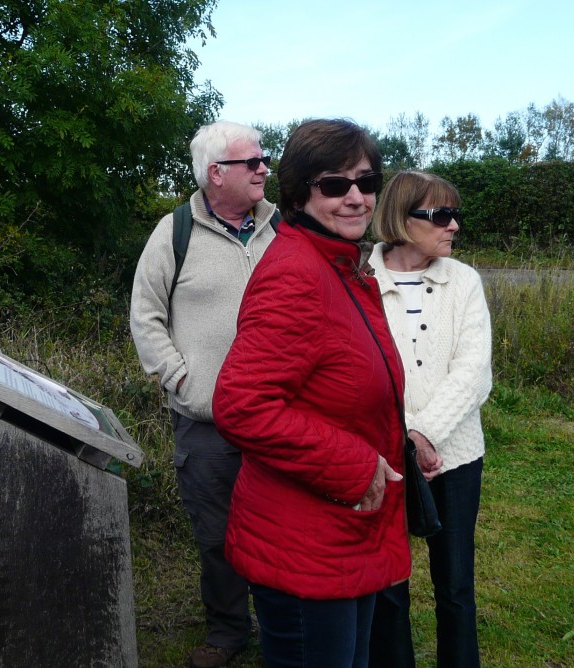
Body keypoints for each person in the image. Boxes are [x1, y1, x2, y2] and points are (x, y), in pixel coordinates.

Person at [212, 119, 411, 668]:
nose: (355, 198)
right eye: (334, 184)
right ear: (300, 193)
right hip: (306, 543)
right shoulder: (297, 272)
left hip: (346, 530)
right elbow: (242, 405)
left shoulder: (343, 269)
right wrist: (354, 464)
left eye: (366, 183)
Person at [129, 120, 279, 668]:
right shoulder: (174, 232)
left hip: (277, 419)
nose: (265, 168)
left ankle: (282, 626)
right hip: (207, 421)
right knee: (217, 536)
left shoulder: (281, 229)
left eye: (264, 160)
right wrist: (180, 377)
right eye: (253, 162)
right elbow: (145, 313)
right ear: (216, 173)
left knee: (279, 527)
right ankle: (227, 633)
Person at [367, 170, 493, 668]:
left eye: (454, 214)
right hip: (386, 459)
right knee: (388, 585)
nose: (454, 226)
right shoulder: (359, 280)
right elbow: (359, 371)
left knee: (456, 583)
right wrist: (403, 444)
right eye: (440, 215)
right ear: (402, 218)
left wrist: (422, 434)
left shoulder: (463, 280)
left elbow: (473, 371)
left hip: (457, 456)